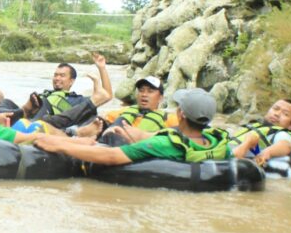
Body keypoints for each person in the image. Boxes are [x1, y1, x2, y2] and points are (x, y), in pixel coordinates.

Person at [35, 88, 230, 165]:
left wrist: (61, 146)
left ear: (181, 114)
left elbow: (112, 156)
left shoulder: (166, 144)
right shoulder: (219, 142)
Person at [14, 53, 114, 133]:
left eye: (62, 76)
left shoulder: (78, 100)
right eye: (56, 75)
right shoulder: (44, 94)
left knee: (43, 102)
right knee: (8, 102)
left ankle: (26, 128)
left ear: (71, 81)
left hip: (50, 123)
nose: (57, 78)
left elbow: (105, 96)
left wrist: (102, 68)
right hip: (29, 117)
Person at [74, 75, 178, 143]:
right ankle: (74, 135)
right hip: (108, 143)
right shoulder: (125, 111)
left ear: (160, 98)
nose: (144, 95)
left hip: (133, 149)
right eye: (141, 91)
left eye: (150, 91)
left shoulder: (169, 118)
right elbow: (103, 119)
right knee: (98, 120)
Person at [230, 99, 291, 166]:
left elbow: (285, 145)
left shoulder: (282, 133)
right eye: (275, 109)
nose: (277, 114)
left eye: (285, 114)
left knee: (251, 138)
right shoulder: (255, 127)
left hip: (236, 158)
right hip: (227, 150)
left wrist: (268, 152)